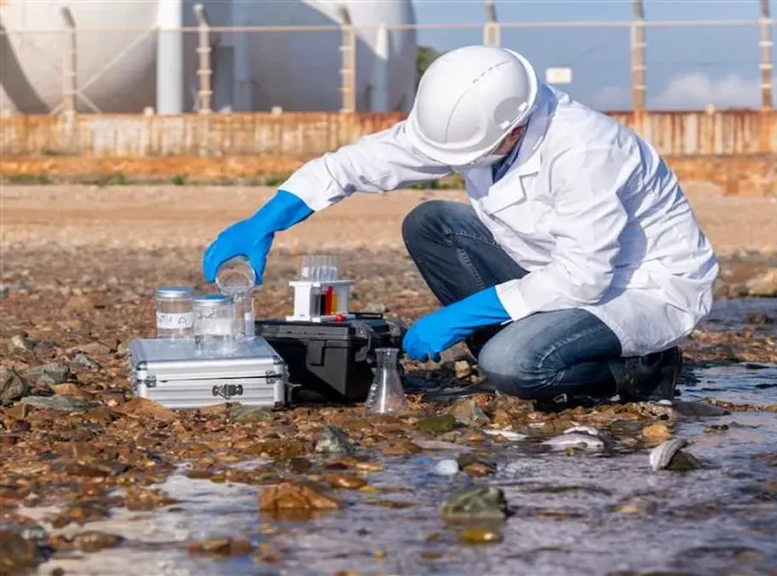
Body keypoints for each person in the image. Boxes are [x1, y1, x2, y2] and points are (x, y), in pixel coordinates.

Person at [202, 45, 719, 407]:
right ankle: (523, 344)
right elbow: (354, 165)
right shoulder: (474, 119)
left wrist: (464, 315)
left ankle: (640, 369)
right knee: (433, 222)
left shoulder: (586, 150)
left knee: (516, 365)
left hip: (638, 287)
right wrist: (267, 220)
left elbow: (585, 279)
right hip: (554, 267)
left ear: (514, 126)